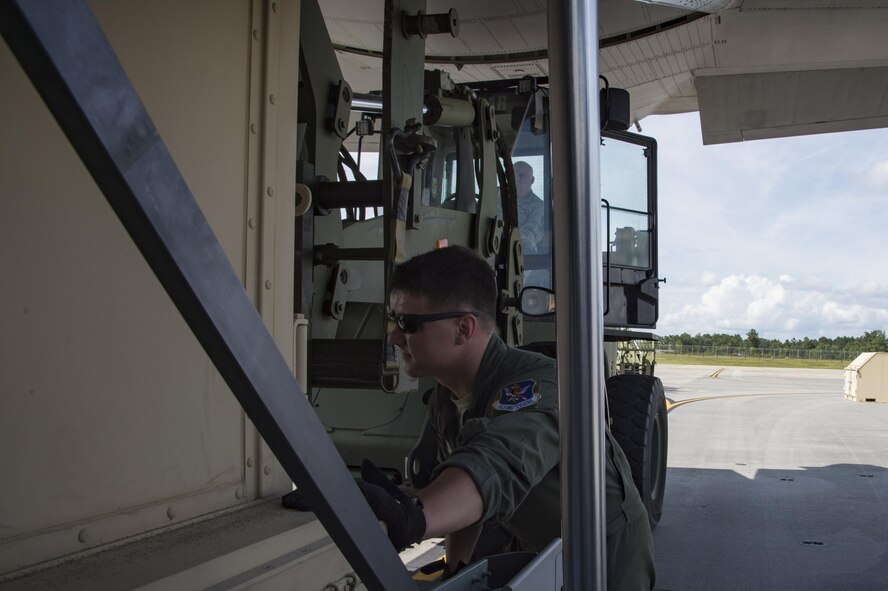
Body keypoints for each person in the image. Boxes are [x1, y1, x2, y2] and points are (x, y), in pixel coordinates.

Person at [358, 246, 656, 589]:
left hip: (605, 556)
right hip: (542, 546)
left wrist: (411, 514)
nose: (395, 337)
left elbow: (497, 464)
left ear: (463, 329)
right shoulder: (445, 397)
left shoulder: (542, 385)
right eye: (395, 322)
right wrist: (456, 570)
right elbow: (467, 483)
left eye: (408, 324)